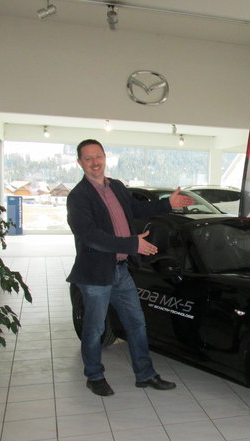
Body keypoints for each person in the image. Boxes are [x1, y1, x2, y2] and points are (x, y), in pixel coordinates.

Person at [66, 139, 193, 396]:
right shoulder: (78, 197)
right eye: (88, 158)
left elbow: (136, 208)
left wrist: (168, 203)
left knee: (136, 323)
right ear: (80, 163)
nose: (94, 162)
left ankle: (145, 374)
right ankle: (94, 375)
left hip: (121, 270)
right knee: (95, 329)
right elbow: (91, 236)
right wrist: (133, 243)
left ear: (105, 157)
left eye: (98, 156)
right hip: (95, 275)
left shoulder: (117, 187)